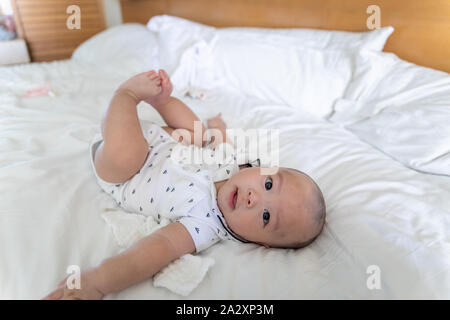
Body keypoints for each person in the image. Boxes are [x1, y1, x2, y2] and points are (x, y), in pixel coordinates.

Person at [43, 69, 326, 300]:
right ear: (265, 168)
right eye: (267, 185)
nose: (254, 198)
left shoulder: (204, 225)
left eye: (266, 216)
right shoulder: (234, 165)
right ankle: (162, 100)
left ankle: (126, 95)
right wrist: (218, 129)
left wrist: (97, 282)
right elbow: (219, 142)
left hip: (123, 168)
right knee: (200, 134)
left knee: (127, 155)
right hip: (158, 139)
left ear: (260, 243)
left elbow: (151, 252)